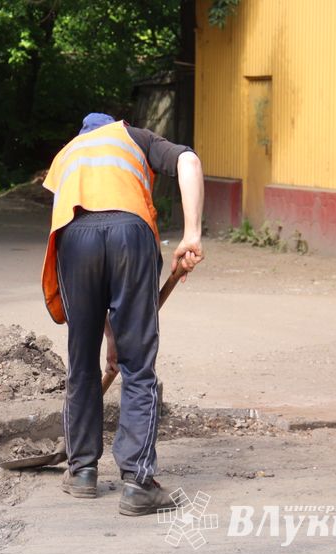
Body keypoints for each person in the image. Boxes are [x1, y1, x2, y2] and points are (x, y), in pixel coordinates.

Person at [41, 112, 204, 516]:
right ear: (118, 124)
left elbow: (93, 246)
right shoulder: (133, 137)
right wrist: (192, 234)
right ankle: (137, 483)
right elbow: (189, 161)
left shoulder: (68, 153)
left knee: (81, 361)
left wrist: (106, 337)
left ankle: (81, 471)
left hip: (75, 239)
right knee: (138, 366)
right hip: (131, 234)